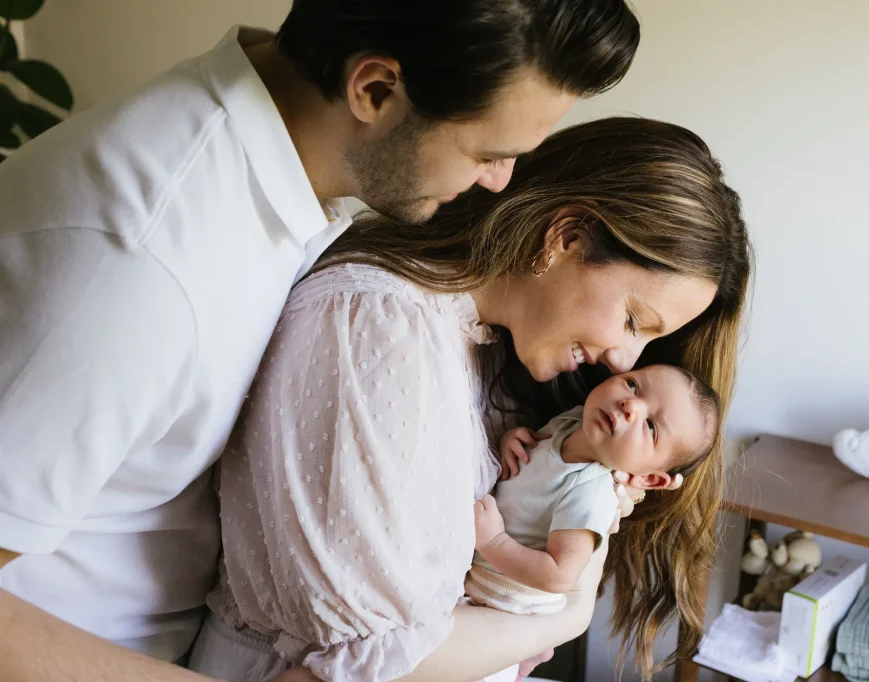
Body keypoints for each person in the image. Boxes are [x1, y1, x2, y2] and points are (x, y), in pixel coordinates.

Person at [0, 1, 641, 680]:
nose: (500, 181)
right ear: (375, 90)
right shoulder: (137, 260)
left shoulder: (285, 190)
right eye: (488, 152)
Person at [186, 117, 753, 682]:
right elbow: (367, 665)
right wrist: (564, 620)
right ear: (567, 237)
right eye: (633, 319)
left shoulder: (493, 351)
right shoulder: (379, 329)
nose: (626, 362)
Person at [469, 365, 720, 630]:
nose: (630, 405)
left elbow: (559, 575)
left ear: (649, 479)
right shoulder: (572, 423)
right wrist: (512, 440)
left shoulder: (591, 493)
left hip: (506, 606)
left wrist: (494, 542)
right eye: (633, 385)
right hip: (479, 583)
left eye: (650, 426)